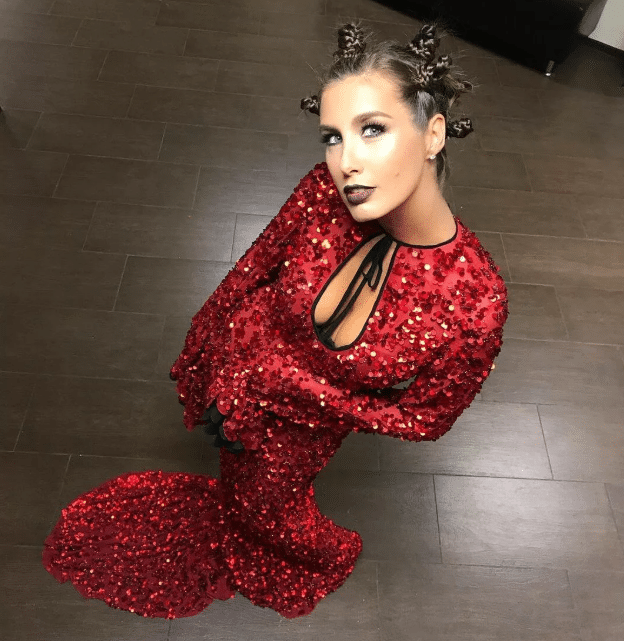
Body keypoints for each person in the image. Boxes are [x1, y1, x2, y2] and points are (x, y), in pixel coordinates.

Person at [42, 22, 508, 619]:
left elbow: (425, 419)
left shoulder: (474, 303)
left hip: (301, 426)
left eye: (372, 129)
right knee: (239, 489)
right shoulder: (320, 192)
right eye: (333, 137)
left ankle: (324, 551)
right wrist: (212, 357)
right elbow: (249, 275)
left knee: (265, 510)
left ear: (433, 133)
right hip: (235, 378)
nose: (345, 162)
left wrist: (293, 389)